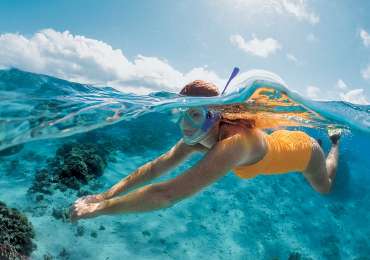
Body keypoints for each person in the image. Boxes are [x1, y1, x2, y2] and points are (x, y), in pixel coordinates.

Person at [70, 80, 340, 221]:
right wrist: (103, 195)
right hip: (279, 140)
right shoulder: (198, 137)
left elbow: (166, 195)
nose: (185, 124)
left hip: (305, 151)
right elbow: (156, 168)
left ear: (214, 115)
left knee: (324, 186)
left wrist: (99, 209)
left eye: (195, 115)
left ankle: (335, 143)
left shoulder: (235, 143)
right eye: (181, 113)